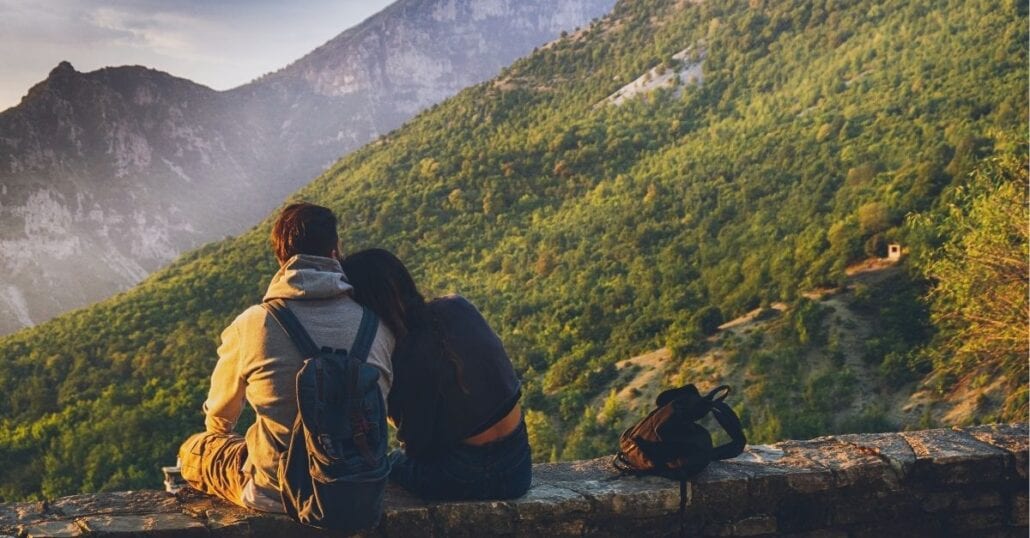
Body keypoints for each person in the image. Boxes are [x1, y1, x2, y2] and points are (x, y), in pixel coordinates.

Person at [177, 203, 395, 512]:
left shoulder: (254, 322)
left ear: (281, 257)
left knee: (194, 449)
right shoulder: (377, 326)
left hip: (275, 490)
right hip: (357, 488)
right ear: (335, 251)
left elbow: (220, 415)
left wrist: (225, 437)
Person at [339, 248, 531, 500]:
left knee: (392, 462)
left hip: (462, 475)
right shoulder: (458, 306)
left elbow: (419, 450)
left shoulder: (402, 352)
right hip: (519, 467)